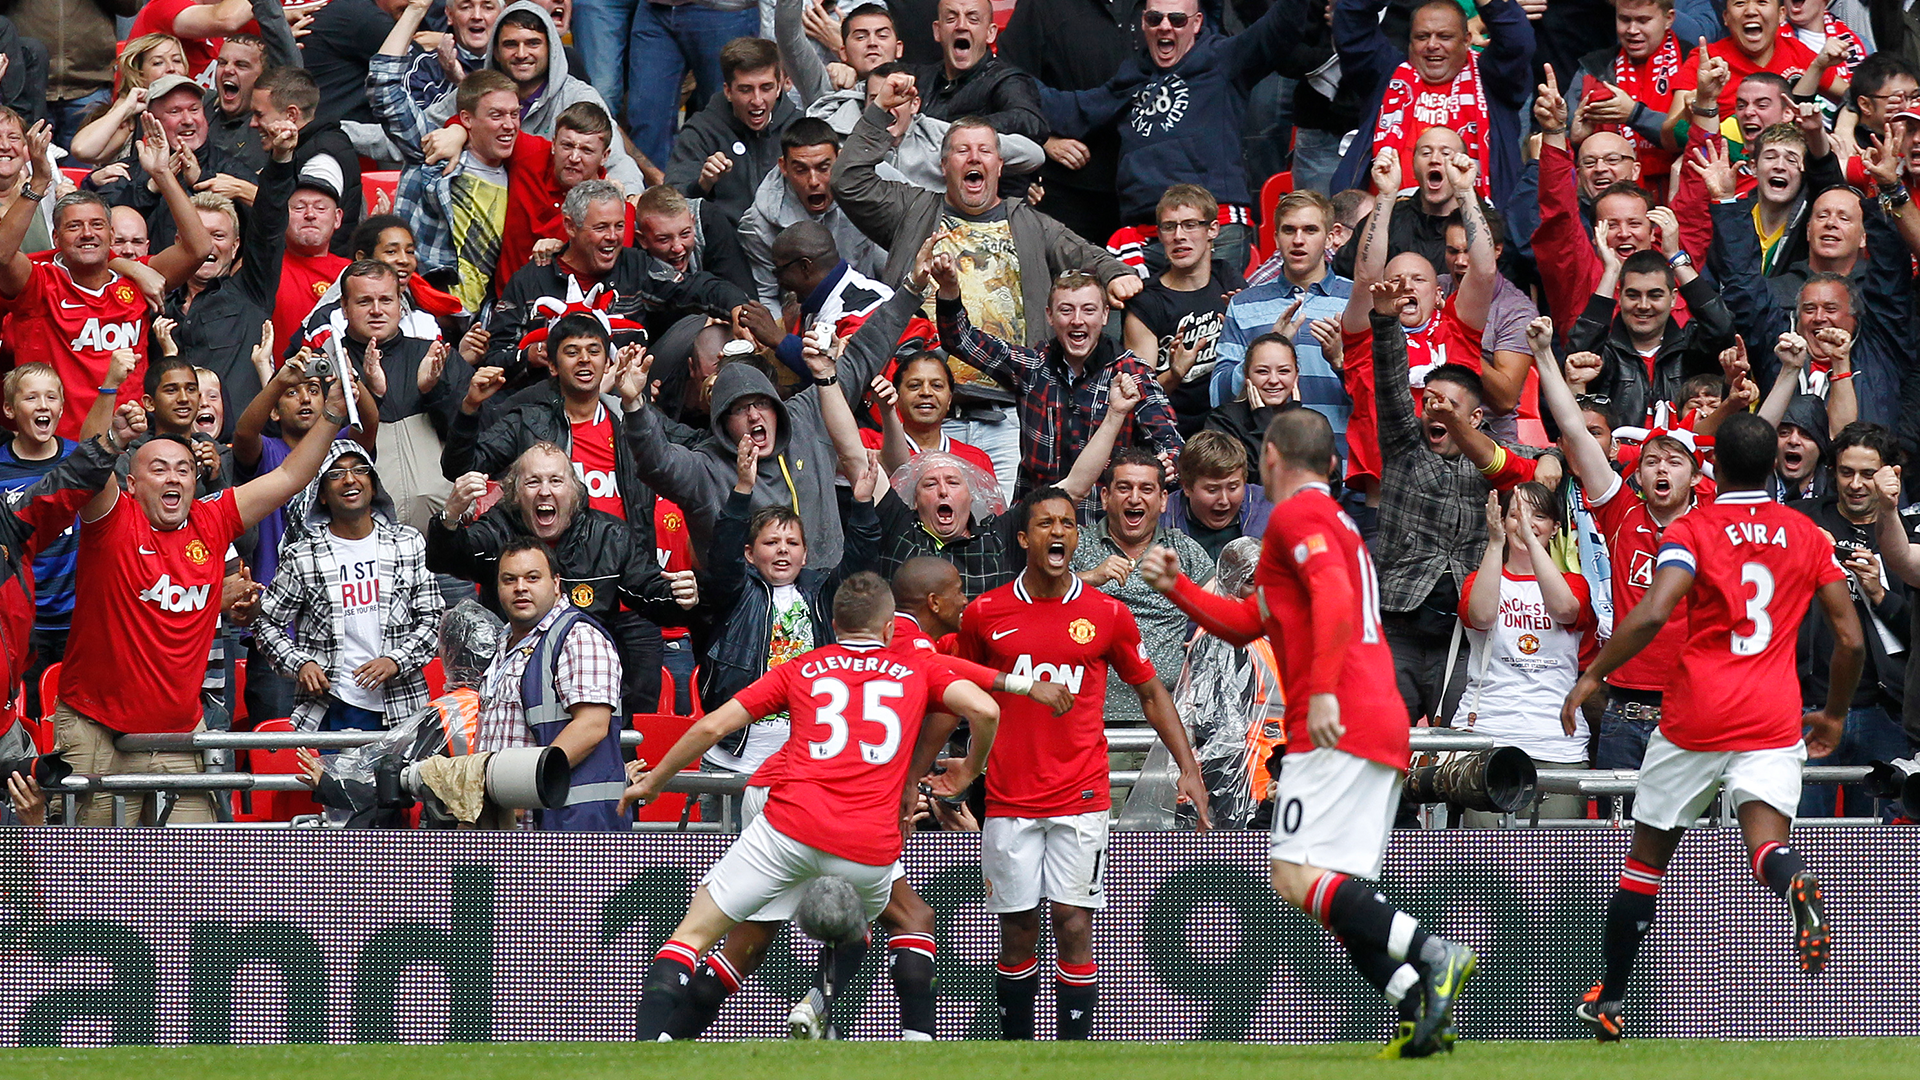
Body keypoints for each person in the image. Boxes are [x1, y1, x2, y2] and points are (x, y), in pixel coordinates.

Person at [1137, 406, 1475, 1059]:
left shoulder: (1298, 516)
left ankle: (1434, 955)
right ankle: (1417, 1008)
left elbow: (1335, 600)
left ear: (1269, 458)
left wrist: (1319, 692)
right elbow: (1246, 623)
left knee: (1293, 874)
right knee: (1333, 890)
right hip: (1373, 718)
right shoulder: (1331, 524)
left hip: (1337, 717)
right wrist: (1178, 587)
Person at [1565, 411, 1858, 1038]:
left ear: (1711, 468)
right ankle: (1795, 882)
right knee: (1766, 846)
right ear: (1773, 464)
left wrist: (1593, 676)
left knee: (1646, 861)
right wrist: (1833, 714)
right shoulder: (1806, 533)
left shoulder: (1693, 529)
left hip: (1695, 713)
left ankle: (1610, 1001)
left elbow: (1653, 612)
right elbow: (1850, 639)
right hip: (1772, 714)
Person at [627, 571, 1000, 1040]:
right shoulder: (916, 666)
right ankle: (888, 1035)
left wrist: (655, 782)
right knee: (895, 921)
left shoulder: (804, 666)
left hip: (786, 811)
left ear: (832, 624)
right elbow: (985, 706)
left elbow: (711, 727)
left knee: (717, 936)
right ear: (891, 626)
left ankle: (657, 1044)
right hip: (858, 828)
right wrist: (971, 766)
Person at [958, 485, 1209, 1040]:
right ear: (1024, 538)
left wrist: (1187, 767)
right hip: (1008, 795)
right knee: (1018, 927)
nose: (1058, 532)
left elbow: (1151, 693)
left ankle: (1074, 1055)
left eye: (1067, 524)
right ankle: (1016, 1051)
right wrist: (947, 767)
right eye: (1045, 523)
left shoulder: (1107, 614)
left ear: (1077, 538)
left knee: (1072, 922)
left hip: (1082, 794)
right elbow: (960, 689)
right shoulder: (984, 614)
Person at [53, 372, 348, 826]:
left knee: (196, 863)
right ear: (131, 484)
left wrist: (332, 414)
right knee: (95, 866)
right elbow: (87, 465)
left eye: (183, 469)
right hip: (99, 727)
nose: (173, 477)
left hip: (178, 732)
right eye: (158, 469)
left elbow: (290, 475)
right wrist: (110, 392)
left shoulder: (212, 519)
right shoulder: (113, 518)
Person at [832, 74, 1137, 492]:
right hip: (920, 414)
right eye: (962, 150)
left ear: (999, 165)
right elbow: (847, 180)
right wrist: (880, 111)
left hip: (1007, 415)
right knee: (920, 519)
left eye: (985, 150)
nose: (973, 157)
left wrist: (1116, 274)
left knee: (1007, 521)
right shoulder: (912, 209)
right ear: (944, 166)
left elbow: (1084, 253)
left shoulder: (1028, 222)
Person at [619, 261, 922, 571]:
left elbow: (861, 356)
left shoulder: (805, 417)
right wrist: (633, 405)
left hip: (825, 590)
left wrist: (912, 287)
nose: (754, 416)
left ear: (776, 405)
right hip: (747, 600)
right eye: (739, 408)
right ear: (721, 420)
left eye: (761, 403)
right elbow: (657, 463)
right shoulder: (706, 469)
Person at [1534, 314, 1709, 784]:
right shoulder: (1621, 511)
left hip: (1691, 709)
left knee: (1692, 828)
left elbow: (1753, 448)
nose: (1661, 469)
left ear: (1696, 476)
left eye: (1674, 461)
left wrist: (1787, 374)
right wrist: (1544, 356)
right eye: (1651, 461)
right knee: (1618, 830)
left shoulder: (1711, 524)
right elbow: (1574, 431)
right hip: (1623, 712)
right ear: (1638, 472)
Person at [1041, 0, 1334, 270]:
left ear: (1196, 23)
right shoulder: (1131, 77)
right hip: (1146, 237)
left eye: (1177, 19)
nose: (1165, 26)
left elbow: (1281, 26)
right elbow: (1072, 110)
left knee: (1210, 312)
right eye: (1155, 19)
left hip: (1213, 229)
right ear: (1143, 23)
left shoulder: (1224, 59)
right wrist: (1013, 81)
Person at [433, 441, 698, 719]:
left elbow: (650, 593)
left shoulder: (608, 536)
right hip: (511, 694)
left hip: (586, 687)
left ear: (574, 491)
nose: (544, 491)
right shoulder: (498, 528)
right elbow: (449, 558)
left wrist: (679, 595)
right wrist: (449, 517)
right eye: (533, 482)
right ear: (515, 493)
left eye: (556, 481)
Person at [0, 118, 213, 440]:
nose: (87, 233)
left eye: (97, 225)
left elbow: (199, 248)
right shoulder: (39, 282)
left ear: (112, 236)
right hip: (58, 446)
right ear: (56, 238)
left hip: (128, 441)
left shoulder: (138, 279)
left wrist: (162, 174)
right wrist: (39, 183)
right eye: (74, 227)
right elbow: (3, 255)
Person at [933, 259, 1181, 501]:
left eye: (1089, 310)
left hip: (1101, 519)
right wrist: (949, 290)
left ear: (1105, 315)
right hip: (1035, 516)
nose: (1077, 320)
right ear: (1050, 316)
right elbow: (960, 340)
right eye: (1066, 310)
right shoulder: (1033, 366)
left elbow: (1171, 443)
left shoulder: (1131, 372)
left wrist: (1168, 462)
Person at [480, 179, 751, 387]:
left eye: (619, 226)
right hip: (545, 409)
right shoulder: (530, 281)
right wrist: (530, 355)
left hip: (626, 405)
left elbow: (699, 287)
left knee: (703, 327)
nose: (613, 237)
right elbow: (494, 358)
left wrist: (738, 308)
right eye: (601, 227)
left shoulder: (636, 267)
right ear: (571, 227)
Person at [254, 440, 446, 731]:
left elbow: (432, 620)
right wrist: (300, 663)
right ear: (321, 495)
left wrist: (396, 660)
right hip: (330, 705)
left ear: (373, 485)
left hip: (403, 706)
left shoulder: (408, 543)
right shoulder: (303, 555)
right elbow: (265, 623)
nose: (349, 479)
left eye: (359, 470)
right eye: (335, 474)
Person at [1455, 484, 1597, 825]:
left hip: (1556, 743)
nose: (1527, 524)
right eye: (1516, 515)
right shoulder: (1479, 578)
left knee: (1558, 854)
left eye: (1539, 516)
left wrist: (1532, 543)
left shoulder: (1575, 583)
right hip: (1489, 736)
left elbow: (1565, 609)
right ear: (1502, 522)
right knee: (1484, 855)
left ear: (1555, 527)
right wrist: (1496, 543)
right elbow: (1482, 616)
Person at [1791, 423, 1910, 818]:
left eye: (1867, 474)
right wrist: (1802, 552)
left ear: (1891, 475)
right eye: (1846, 472)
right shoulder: (1799, 521)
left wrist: (1880, 594)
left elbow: (1916, 633)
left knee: (1888, 840)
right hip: (1808, 705)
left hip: (1885, 711)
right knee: (1803, 834)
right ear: (1832, 472)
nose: (1856, 484)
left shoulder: (1907, 538)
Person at [476, 539, 629, 830]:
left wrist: (525, 789)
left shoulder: (579, 637)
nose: (520, 587)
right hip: (513, 821)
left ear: (557, 584)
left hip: (569, 829)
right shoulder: (504, 642)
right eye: (509, 579)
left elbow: (592, 726)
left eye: (533, 578)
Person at [1332, 0, 1537, 206]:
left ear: (1466, 40)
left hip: (1475, 218)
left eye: (1444, 37)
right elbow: (1352, 23)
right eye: (1422, 37)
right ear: (1410, 42)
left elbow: (1516, 43)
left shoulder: (1493, 80)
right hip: (1388, 217)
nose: (1432, 45)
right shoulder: (1384, 74)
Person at [167, 118, 298, 433]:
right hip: (171, 450)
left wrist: (280, 160)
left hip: (240, 451)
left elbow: (269, 225)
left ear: (236, 245)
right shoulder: (158, 301)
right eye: (198, 234)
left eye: (219, 236)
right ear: (178, 242)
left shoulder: (250, 291)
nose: (208, 245)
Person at [1213, 190, 1353, 454]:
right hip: (1264, 462)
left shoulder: (1355, 301)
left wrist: (1341, 363)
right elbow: (1218, 396)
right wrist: (1265, 349)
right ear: (1276, 238)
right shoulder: (1243, 305)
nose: (1298, 240)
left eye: (1310, 230)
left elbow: (1382, 397)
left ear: (1330, 237)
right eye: (1289, 230)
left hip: (1339, 462)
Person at [1564, 242, 1736, 429]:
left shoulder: (1691, 348)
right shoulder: (1605, 352)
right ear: (1619, 297)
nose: (1644, 305)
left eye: (1655, 295)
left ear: (1673, 299)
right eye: (1633, 295)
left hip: (1682, 448)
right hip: (1615, 448)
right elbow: (1578, 354)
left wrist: (1675, 257)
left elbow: (1722, 328)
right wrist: (1611, 273)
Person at [1121, 184, 1248, 434]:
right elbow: (1137, 399)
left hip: (1229, 429)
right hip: (1171, 433)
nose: (1179, 236)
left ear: (1212, 229)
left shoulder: (1226, 278)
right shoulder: (1147, 302)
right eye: (1169, 227)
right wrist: (1175, 373)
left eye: (1190, 225)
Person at [739, 118, 888, 309]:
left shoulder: (867, 189)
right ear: (784, 166)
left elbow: (890, 259)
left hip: (867, 305)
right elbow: (766, 296)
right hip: (802, 314)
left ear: (840, 159)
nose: (813, 181)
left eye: (823, 168)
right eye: (801, 170)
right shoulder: (758, 225)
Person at [663, 37, 800, 225]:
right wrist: (703, 184)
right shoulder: (701, 131)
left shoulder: (799, 127)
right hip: (725, 237)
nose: (757, 100)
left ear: (779, 87)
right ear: (728, 91)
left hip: (787, 236)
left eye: (766, 88)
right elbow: (672, 203)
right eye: (746, 90)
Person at [1568, 0, 1693, 185]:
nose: (1632, 30)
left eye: (1643, 20)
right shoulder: (1593, 69)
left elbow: (1703, 136)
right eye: (1625, 19)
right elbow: (1563, 153)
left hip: (1680, 189)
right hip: (1609, 195)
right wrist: (1575, 139)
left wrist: (1635, 115)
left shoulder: (1693, 63)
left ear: (1669, 19)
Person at [910, 0, 1047, 141]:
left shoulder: (1005, 80)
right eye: (951, 19)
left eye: (973, 20)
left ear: (990, 33)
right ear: (937, 31)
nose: (961, 26)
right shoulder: (919, 78)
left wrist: (964, 131)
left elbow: (1030, 120)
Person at [1162, 428, 1272, 560]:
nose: (1224, 501)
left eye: (1233, 488)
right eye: (1212, 490)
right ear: (1187, 487)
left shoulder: (1271, 509)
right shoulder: (1161, 518)